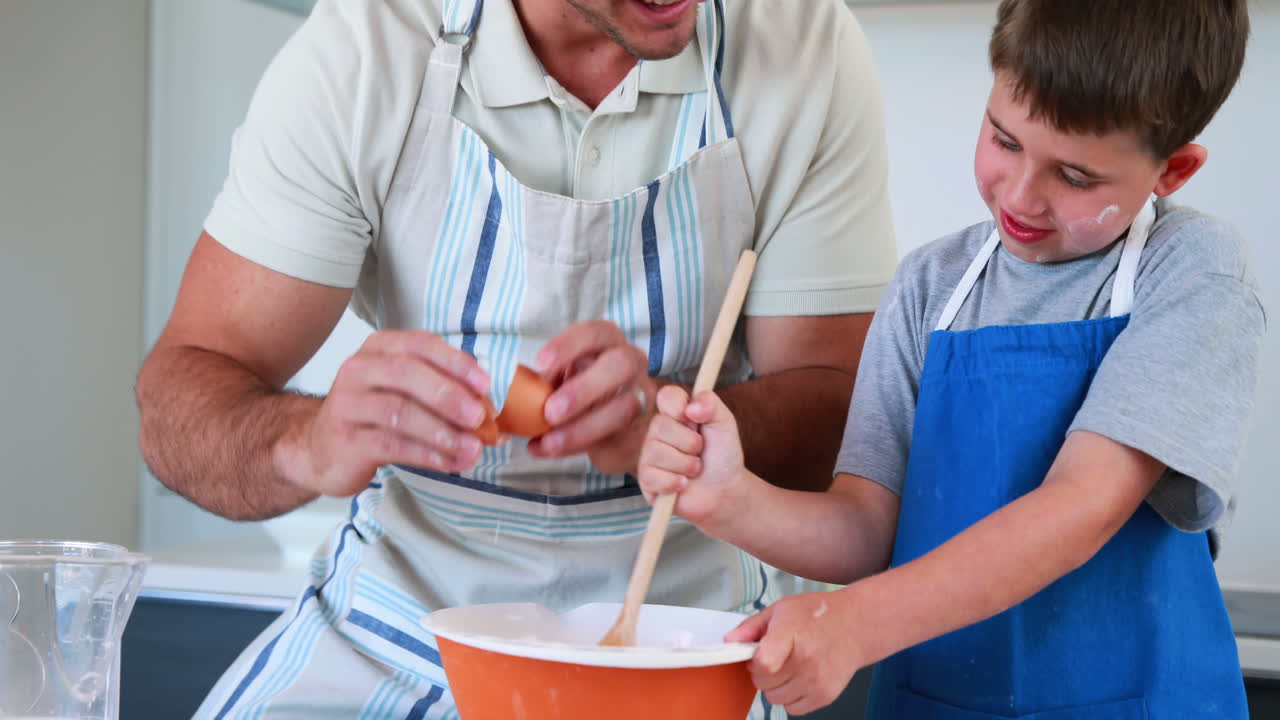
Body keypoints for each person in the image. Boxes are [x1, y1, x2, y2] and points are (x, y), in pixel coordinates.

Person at [134, 0, 896, 716]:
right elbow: (179, 397)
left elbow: (843, 421)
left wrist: (668, 427)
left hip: (687, 639)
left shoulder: (801, 43)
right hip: (398, 629)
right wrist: (308, 443)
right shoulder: (371, 45)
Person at [638, 1, 1265, 717]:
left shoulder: (1192, 274)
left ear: (1173, 171)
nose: (1023, 194)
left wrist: (857, 623)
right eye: (1004, 139)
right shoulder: (928, 287)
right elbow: (867, 527)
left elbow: (1083, 504)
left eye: (1076, 177)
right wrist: (733, 500)